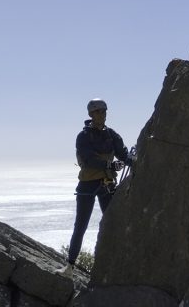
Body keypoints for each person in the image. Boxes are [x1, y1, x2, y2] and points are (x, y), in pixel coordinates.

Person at [62, 98, 132, 271]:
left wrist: (137, 161)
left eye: (104, 111)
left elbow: (123, 155)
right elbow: (88, 159)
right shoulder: (83, 136)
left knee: (113, 223)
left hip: (106, 184)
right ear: (91, 114)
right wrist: (109, 165)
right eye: (99, 112)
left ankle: (117, 262)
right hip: (87, 184)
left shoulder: (111, 135)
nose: (103, 114)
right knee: (81, 226)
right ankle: (69, 266)